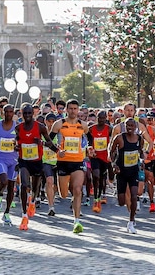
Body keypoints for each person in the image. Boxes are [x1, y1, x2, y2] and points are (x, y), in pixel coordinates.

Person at [50, 99, 92, 234]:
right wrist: (57, 151)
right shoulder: (59, 124)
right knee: (63, 195)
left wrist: (90, 147)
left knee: (78, 190)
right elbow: (48, 140)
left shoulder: (83, 125)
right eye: (71, 108)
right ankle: (68, 194)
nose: (73, 111)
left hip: (78, 161)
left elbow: (89, 138)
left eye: (75, 108)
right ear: (66, 110)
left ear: (78, 110)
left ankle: (77, 221)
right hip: (63, 162)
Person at [15, 104, 57, 231]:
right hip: (24, 161)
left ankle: (33, 201)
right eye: (25, 113)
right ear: (22, 114)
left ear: (33, 114)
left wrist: (56, 150)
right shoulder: (18, 128)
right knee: (23, 185)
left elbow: (49, 142)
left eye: (29, 113)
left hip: (37, 161)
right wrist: (16, 147)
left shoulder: (40, 127)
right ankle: (23, 216)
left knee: (35, 187)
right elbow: (16, 141)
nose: (27, 116)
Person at [109, 118, 144, 233]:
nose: (130, 128)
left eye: (132, 126)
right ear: (124, 126)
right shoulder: (119, 138)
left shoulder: (139, 138)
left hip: (133, 170)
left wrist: (142, 160)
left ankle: (131, 222)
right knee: (121, 202)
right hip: (121, 172)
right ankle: (118, 191)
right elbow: (112, 151)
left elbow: (140, 151)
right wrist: (114, 165)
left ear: (136, 127)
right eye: (127, 125)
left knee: (134, 195)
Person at [89, 111, 112, 213]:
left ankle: (101, 195)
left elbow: (112, 141)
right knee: (96, 175)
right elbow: (88, 142)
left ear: (106, 118)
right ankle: (95, 199)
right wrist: (90, 149)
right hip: (95, 156)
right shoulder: (91, 129)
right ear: (97, 117)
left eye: (103, 118)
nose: (101, 120)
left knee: (102, 177)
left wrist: (111, 153)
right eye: (99, 118)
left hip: (105, 157)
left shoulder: (109, 129)